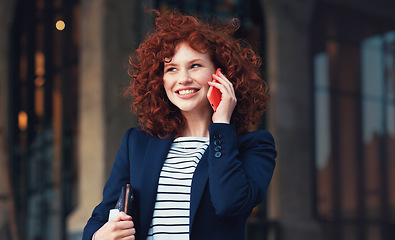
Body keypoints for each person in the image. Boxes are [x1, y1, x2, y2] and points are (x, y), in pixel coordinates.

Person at [82, 9, 276, 240]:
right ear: (160, 79)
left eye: (195, 66)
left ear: (221, 75)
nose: (183, 79)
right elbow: (98, 220)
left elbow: (229, 203)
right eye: (171, 69)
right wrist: (98, 237)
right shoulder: (137, 144)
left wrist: (221, 124)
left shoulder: (254, 147)